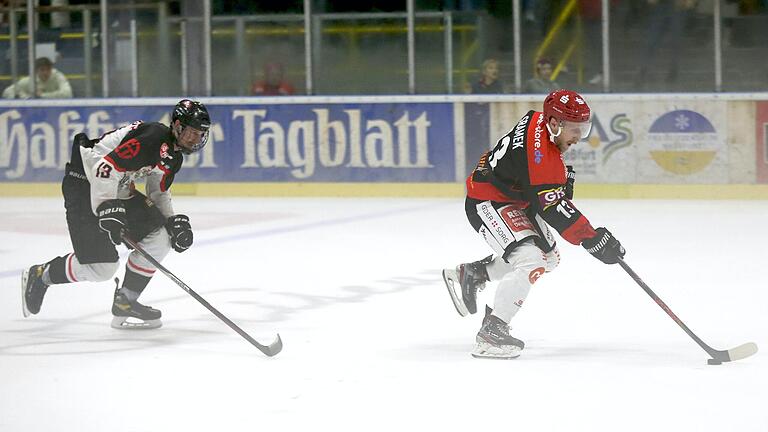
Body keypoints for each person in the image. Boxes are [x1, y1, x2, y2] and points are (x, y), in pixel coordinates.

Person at [441, 89, 626, 359]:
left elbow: (542, 190)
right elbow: (551, 207)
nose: (578, 138)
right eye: (575, 130)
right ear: (554, 124)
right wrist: (592, 238)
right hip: (487, 201)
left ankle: (473, 274)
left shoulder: (540, 121)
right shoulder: (542, 156)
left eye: (583, 130)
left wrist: (558, 186)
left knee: (549, 259)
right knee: (531, 261)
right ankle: (492, 334)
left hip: (513, 198)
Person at [21, 99, 211, 329]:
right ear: (178, 125)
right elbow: (104, 167)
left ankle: (126, 302)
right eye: (192, 132)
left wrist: (171, 221)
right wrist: (106, 206)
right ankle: (41, 274)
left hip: (115, 187)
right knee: (101, 268)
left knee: (161, 236)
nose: (195, 139)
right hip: (84, 182)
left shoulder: (173, 156)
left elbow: (158, 190)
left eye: (200, 134)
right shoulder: (152, 137)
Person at [2, 57, 73, 99]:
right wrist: (26, 97)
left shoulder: (58, 76)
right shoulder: (30, 80)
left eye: (48, 69)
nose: (45, 72)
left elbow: (68, 93)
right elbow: (7, 92)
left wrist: (42, 95)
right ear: (36, 71)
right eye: (42, 70)